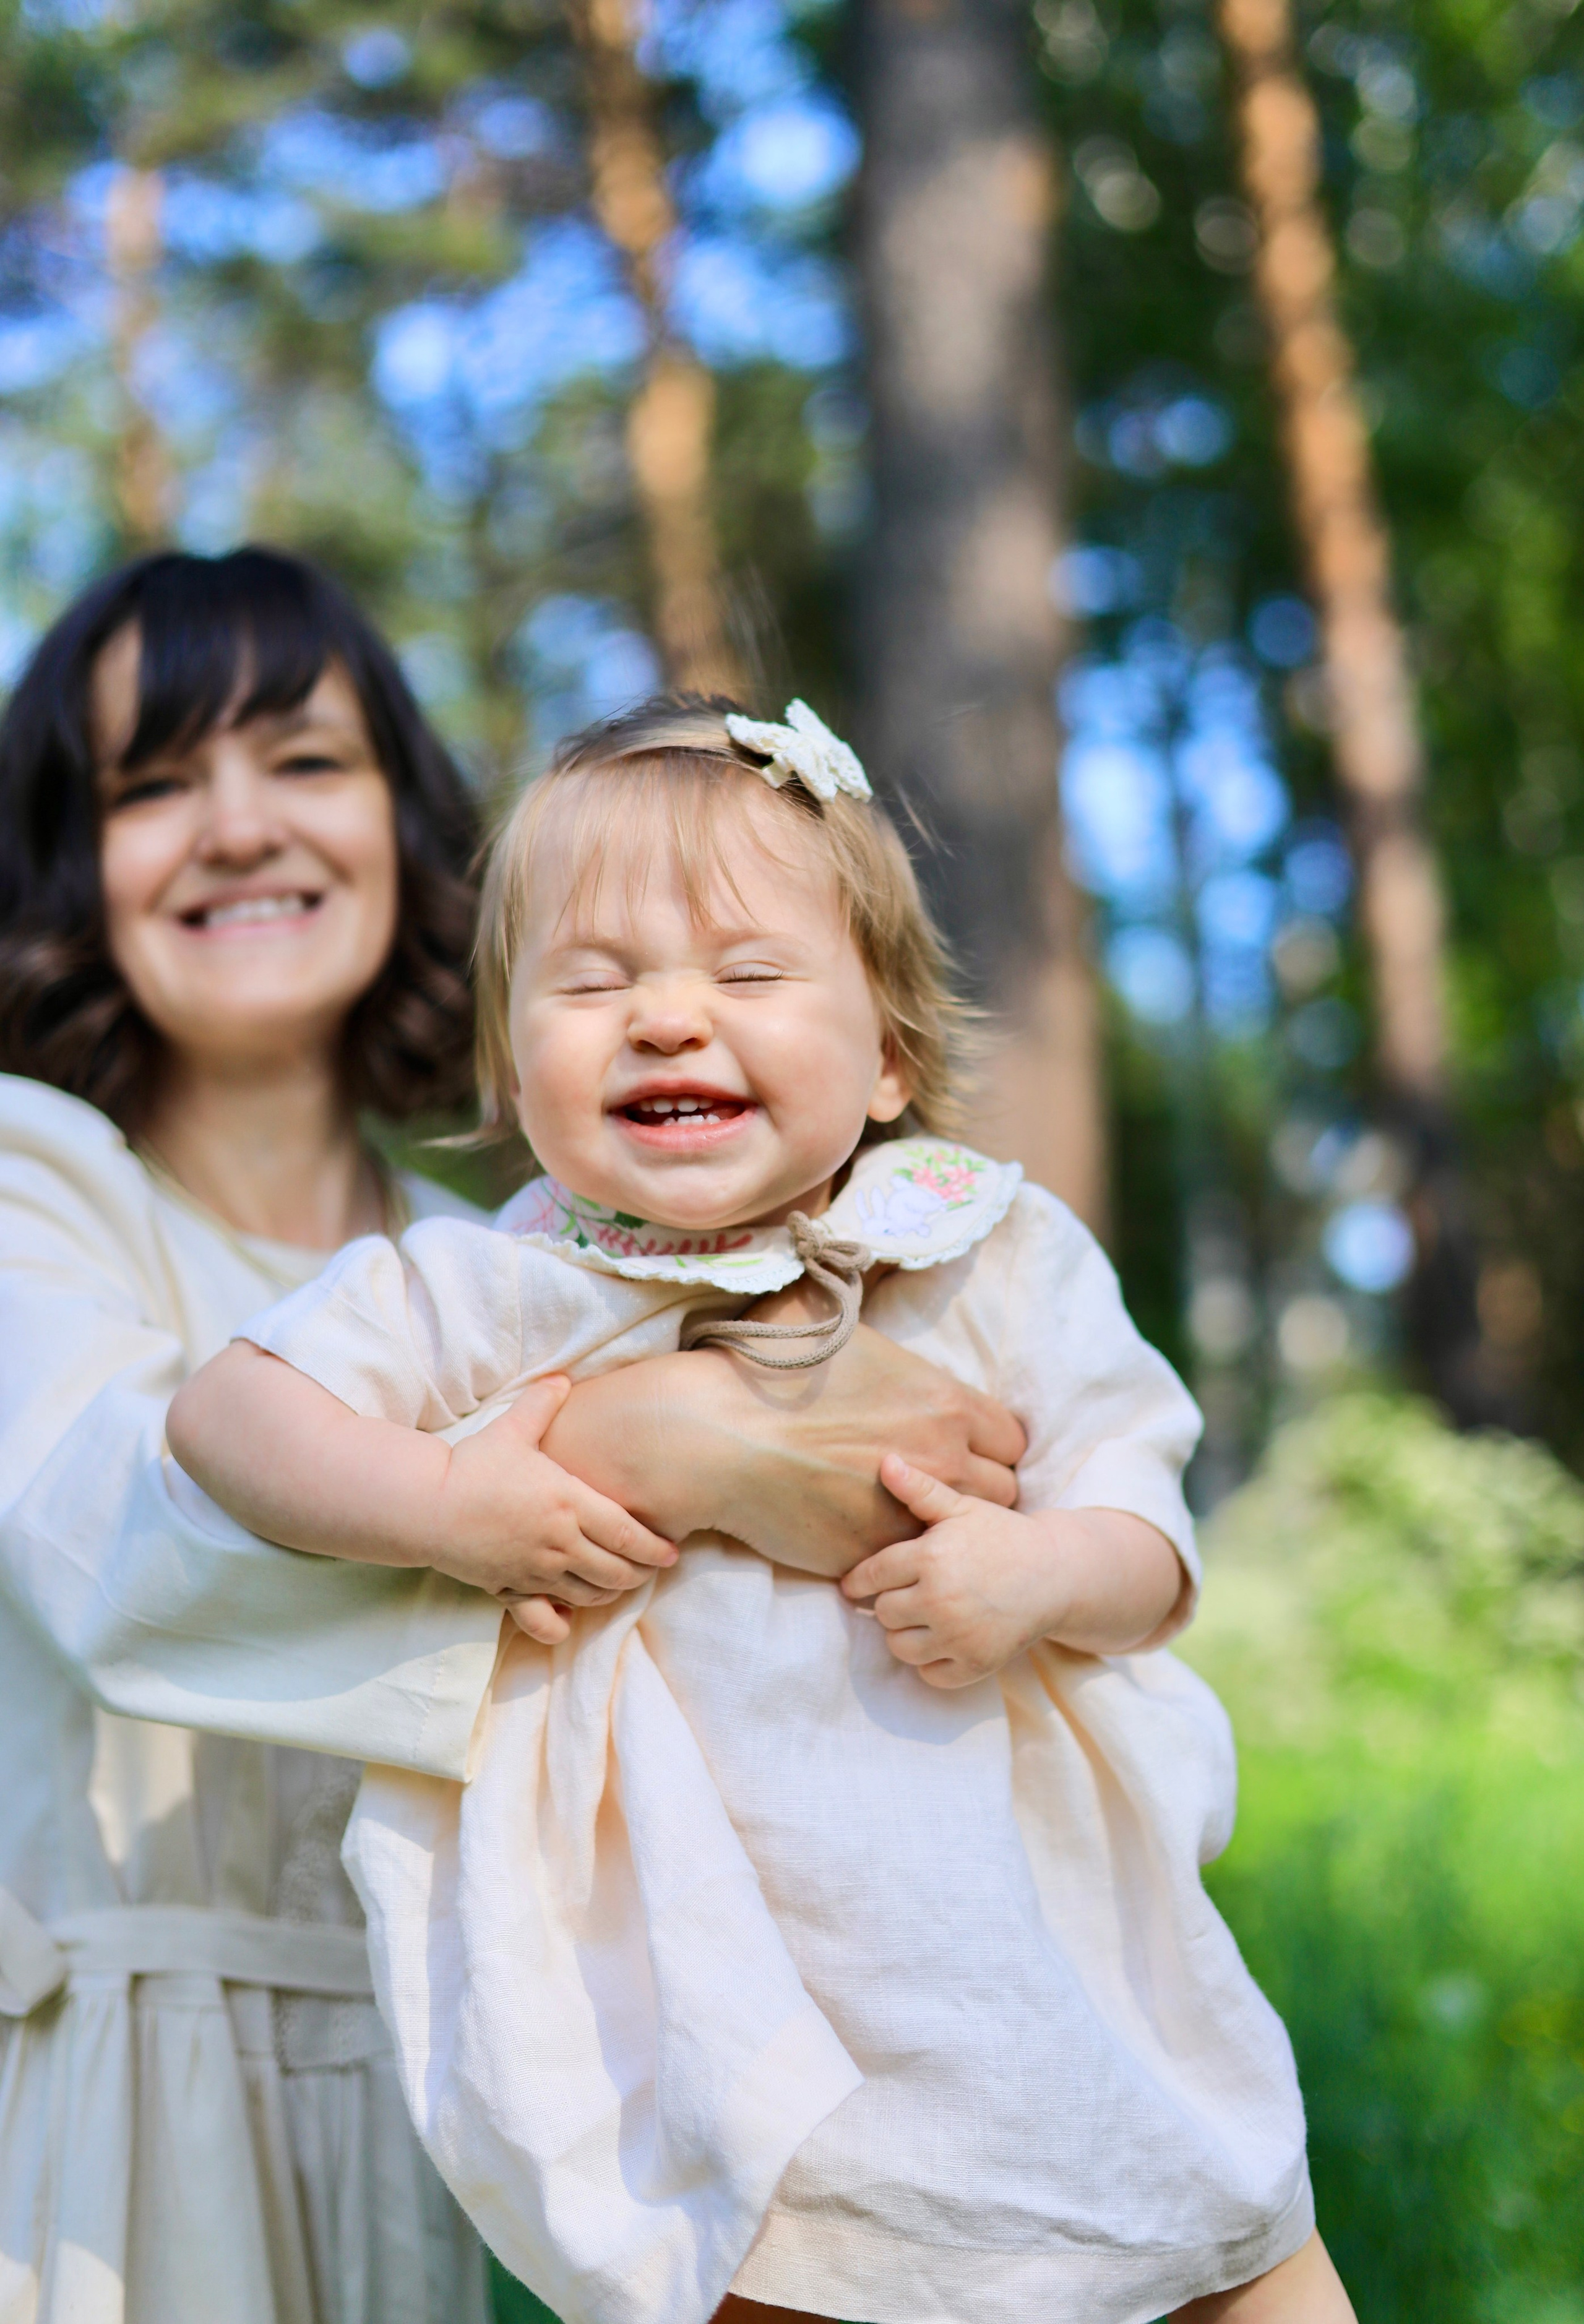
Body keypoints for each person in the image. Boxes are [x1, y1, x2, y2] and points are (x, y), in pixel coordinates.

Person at [170, 695, 1356, 2324]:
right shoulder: (502, 1288)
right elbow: (226, 1416)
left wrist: (1036, 1567)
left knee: (1213, 2228)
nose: (668, 1019)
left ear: (890, 1056)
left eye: (746, 973)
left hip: (1033, 1943)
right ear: (513, 1066)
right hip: (725, 1997)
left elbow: (1148, 1542)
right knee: (789, 2251)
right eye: (595, 982)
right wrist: (448, 1497)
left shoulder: (990, 1255)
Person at [0, 558, 1023, 2324]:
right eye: (155, 783)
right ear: (66, 859)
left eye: (304, 761)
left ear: (405, 820)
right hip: (100, 2120)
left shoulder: (511, 1256)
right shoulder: (32, 1179)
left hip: (444, 2104)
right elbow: (104, 1536)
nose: (238, 827)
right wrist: (658, 1440)